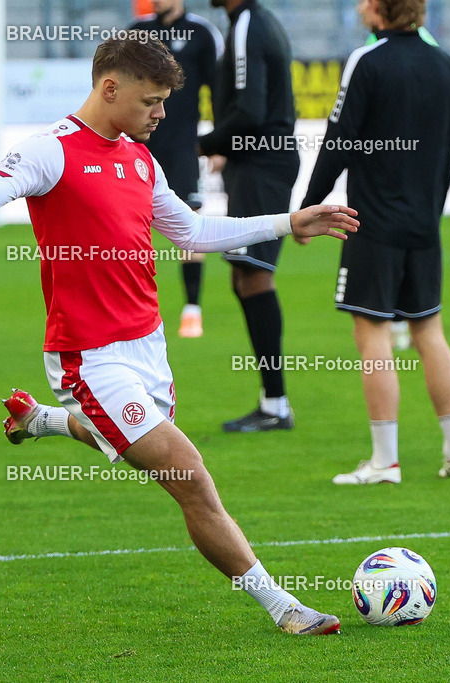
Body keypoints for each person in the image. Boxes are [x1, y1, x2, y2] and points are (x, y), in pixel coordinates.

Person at [0, 37, 357, 634]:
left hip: (148, 345)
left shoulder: (140, 159)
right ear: (110, 89)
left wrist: (286, 221)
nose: (162, 114)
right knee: (189, 477)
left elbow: (190, 232)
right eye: (153, 101)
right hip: (89, 355)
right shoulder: (51, 151)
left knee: (134, 443)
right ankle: (285, 608)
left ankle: (42, 420)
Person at [300, 0, 450, 484]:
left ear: (380, 9)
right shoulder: (446, 66)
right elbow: (448, 147)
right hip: (423, 224)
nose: (358, 7)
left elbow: (339, 140)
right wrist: (430, 213)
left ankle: (385, 462)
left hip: (372, 224)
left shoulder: (367, 60)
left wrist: (309, 207)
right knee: (429, 332)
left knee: (372, 335)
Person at [198, 0, 299, 432]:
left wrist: (203, 145)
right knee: (244, 275)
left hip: (262, 164)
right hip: (253, 163)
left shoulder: (248, 25)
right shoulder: (250, 23)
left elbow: (251, 112)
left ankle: (276, 404)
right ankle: (271, 400)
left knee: (254, 275)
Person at [130, 0, 224, 338]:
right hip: (137, 147)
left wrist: (218, 143)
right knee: (126, 227)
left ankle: (192, 309)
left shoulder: (201, 33)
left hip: (184, 148)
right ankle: (133, 309)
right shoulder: (138, 34)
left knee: (189, 227)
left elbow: (219, 90)